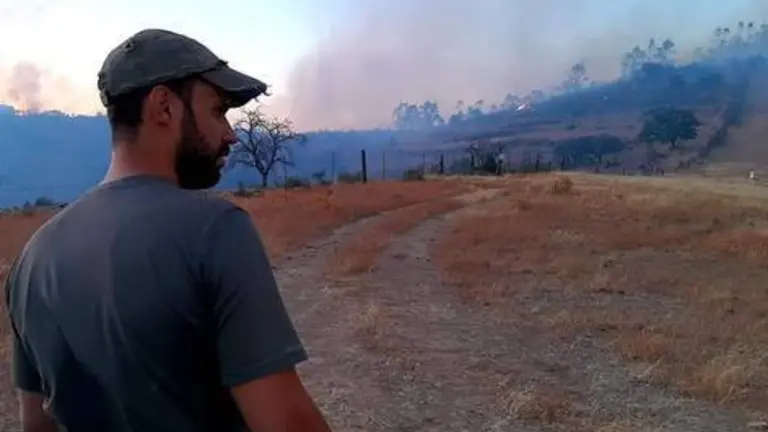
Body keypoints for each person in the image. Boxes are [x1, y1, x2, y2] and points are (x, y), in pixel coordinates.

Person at [4, 28, 332, 432]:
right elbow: (286, 425)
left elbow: (36, 425)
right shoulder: (215, 230)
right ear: (164, 107)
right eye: (218, 110)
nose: (230, 133)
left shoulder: (32, 259)